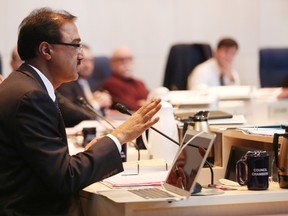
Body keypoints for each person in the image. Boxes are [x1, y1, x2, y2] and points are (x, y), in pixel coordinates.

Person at [0, 8, 161, 216]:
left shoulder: (24, 85)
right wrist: (118, 136)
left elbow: (47, 166)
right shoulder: (31, 96)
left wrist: (91, 153)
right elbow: (66, 178)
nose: (81, 55)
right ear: (46, 51)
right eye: (75, 45)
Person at [57, 44, 112, 127]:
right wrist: (96, 104)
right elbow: (70, 114)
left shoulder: (93, 82)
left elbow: (101, 109)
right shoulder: (65, 84)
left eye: (91, 61)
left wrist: (105, 102)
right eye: (84, 60)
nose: (88, 65)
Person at [102, 46, 149, 111]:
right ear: (112, 64)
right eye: (122, 60)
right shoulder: (110, 84)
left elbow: (151, 102)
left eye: (130, 59)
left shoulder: (140, 83)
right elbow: (132, 107)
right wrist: (144, 104)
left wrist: (145, 104)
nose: (127, 63)